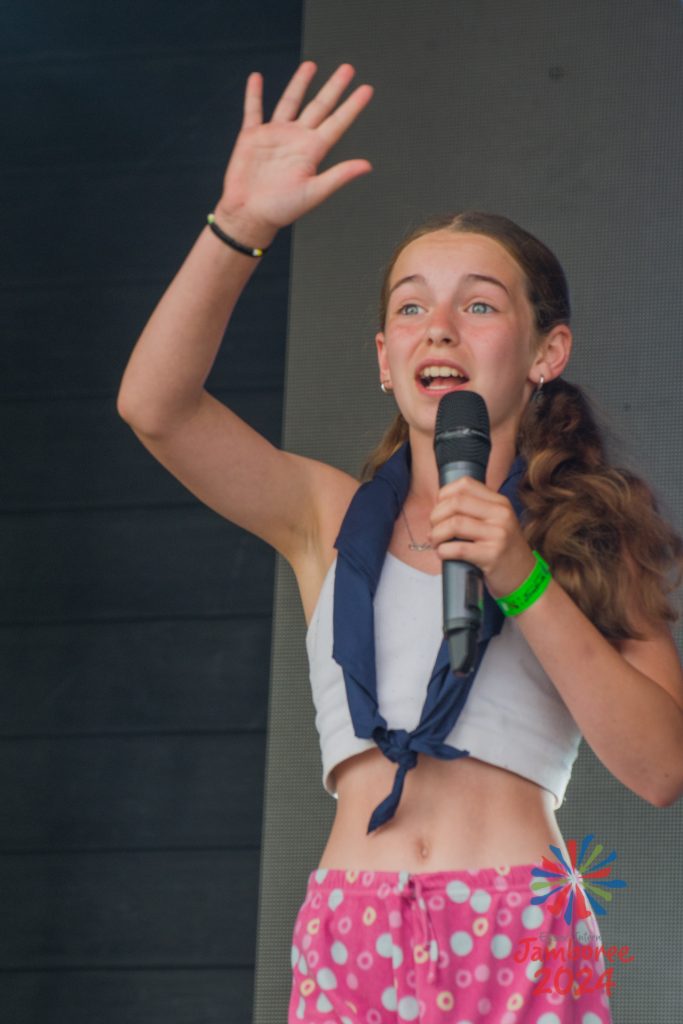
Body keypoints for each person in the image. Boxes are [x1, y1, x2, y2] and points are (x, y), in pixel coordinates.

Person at [117, 61, 683, 1024]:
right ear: (384, 358)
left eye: (479, 304)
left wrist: (522, 577)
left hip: (517, 927)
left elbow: (660, 768)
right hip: (353, 926)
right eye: (411, 306)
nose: (440, 328)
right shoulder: (325, 516)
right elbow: (156, 408)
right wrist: (240, 225)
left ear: (545, 352)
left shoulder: (584, 533)